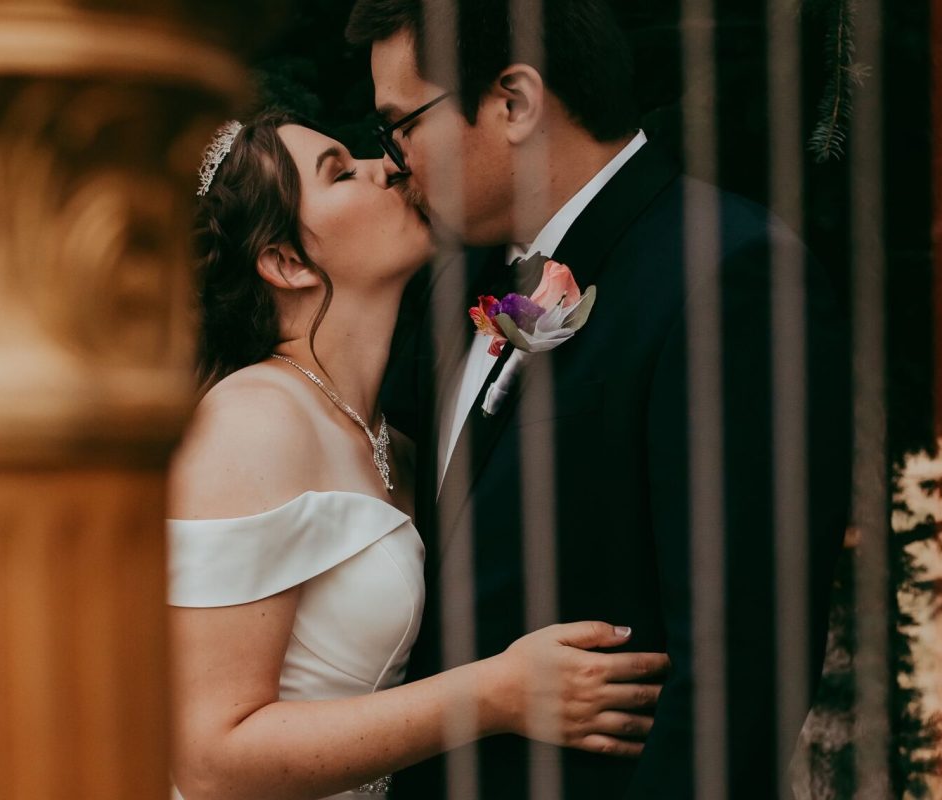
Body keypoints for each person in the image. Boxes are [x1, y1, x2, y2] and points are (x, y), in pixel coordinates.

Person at [346, 0, 853, 797]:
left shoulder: (728, 277)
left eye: (400, 124)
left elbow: (741, 669)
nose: (396, 160)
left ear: (514, 102)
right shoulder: (454, 287)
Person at [166, 110, 671, 800]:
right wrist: (495, 694)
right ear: (287, 263)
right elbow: (210, 760)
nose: (388, 167)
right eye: (342, 173)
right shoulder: (253, 419)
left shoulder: (395, 436)